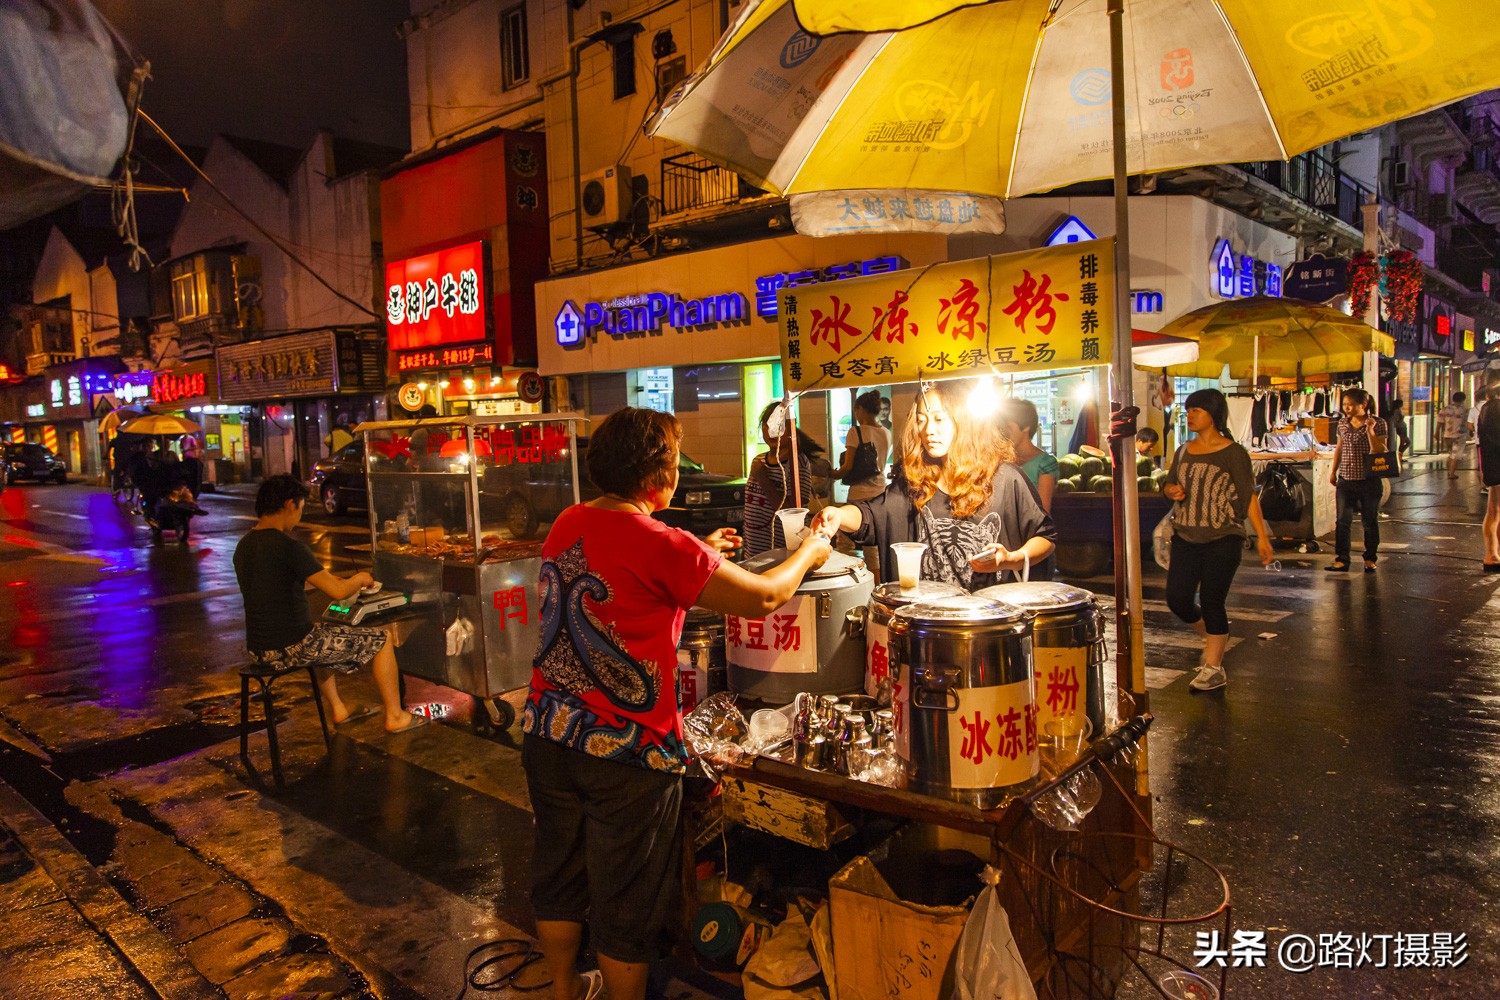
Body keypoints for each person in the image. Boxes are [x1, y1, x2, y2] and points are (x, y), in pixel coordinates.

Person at [523, 407, 830, 1000]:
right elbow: (766, 595)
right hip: (623, 753)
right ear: (659, 475)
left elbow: (627, 585)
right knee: (626, 898)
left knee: (558, 873)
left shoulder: (568, 521)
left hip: (547, 733)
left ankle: (561, 989)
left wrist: (701, 552)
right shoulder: (664, 544)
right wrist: (811, 552)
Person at [811, 379, 1056, 590]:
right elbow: (871, 516)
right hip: (928, 623)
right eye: (921, 420)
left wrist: (1011, 559)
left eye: (940, 419)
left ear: (966, 423)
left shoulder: (1005, 479)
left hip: (987, 622)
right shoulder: (916, 481)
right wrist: (838, 514)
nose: (928, 430)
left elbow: (1045, 537)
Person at [233, 474, 421, 733]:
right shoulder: (288, 547)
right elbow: (338, 592)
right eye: (300, 507)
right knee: (382, 640)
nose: (300, 515)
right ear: (290, 505)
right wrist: (360, 578)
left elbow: (286, 582)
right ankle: (395, 715)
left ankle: (339, 709)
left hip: (260, 649)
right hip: (293, 647)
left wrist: (340, 581)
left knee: (322, 632)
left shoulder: (244, 546)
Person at [1161, 389, 1276, 693]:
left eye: (1196, 410)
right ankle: (1210, 636)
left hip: (1224, 537)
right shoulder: (1184, 450)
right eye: (1189, 411)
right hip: (1186, 535)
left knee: (1213, 600)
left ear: (1213, 414)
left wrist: (1262, 537)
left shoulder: (1233, 453)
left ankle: (1214, 668)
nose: (1191, 415)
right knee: (1178, 599)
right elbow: (1170, 482)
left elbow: (1249, 495)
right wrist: (1171, 490)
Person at [742, 401, 822, 557]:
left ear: (791, 429)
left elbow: (793, 512)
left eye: (780, 425)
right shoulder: (758, 461)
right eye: (768, 424)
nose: (773, 430)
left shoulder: (797, 463)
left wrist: (764, 480)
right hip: (752, 554)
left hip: (781, 555)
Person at [1326, 387, 1389, 573]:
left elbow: (1380, 450)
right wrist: (1333, 471)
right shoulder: (1342, 424)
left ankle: (1370, 558)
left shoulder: (1378, 423)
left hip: (1369, 479)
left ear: (1363, 404)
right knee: (1342, 521)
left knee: (1369, 521)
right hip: (1346, 479)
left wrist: (1370, 430)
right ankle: (1342, 559)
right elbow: (1339, 447)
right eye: (1345, 404)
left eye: (1351, 405)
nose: (1347, 408)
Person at [833, 389, 892, 571]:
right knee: (872, 547)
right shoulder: (885, 432)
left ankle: (848, 584)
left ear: (860, 410)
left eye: (856, 410)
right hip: (880, 493)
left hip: (858, 495)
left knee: (846, 544)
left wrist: (831, 474)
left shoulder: (855, 432)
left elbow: (848, 467)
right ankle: (875, 586)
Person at [998, 397, 1058, 511]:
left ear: (1026, 427)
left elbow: (1042, 512)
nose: (1004, 433)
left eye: (1009, 427)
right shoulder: (999, 461)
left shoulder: (1046, 463)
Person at [1477, 386, 1500, 572]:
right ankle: (1492, 555)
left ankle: (1491, 555)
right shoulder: (1497, 408)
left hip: (1492, 465)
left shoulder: (1485, 409)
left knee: (1494, 510)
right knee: (1496, 510)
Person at [1437, 392, 1469, 480]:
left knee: (1451, 454)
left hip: (1447, 435)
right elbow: (1469, 422)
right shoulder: (1465, 410)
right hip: (1459, 435)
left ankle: (1450, 471)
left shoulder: (1445, 409)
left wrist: (1436, 432)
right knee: (1455, 455)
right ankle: (1451, 473)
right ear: (1463, 400)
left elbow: (1440, 422)